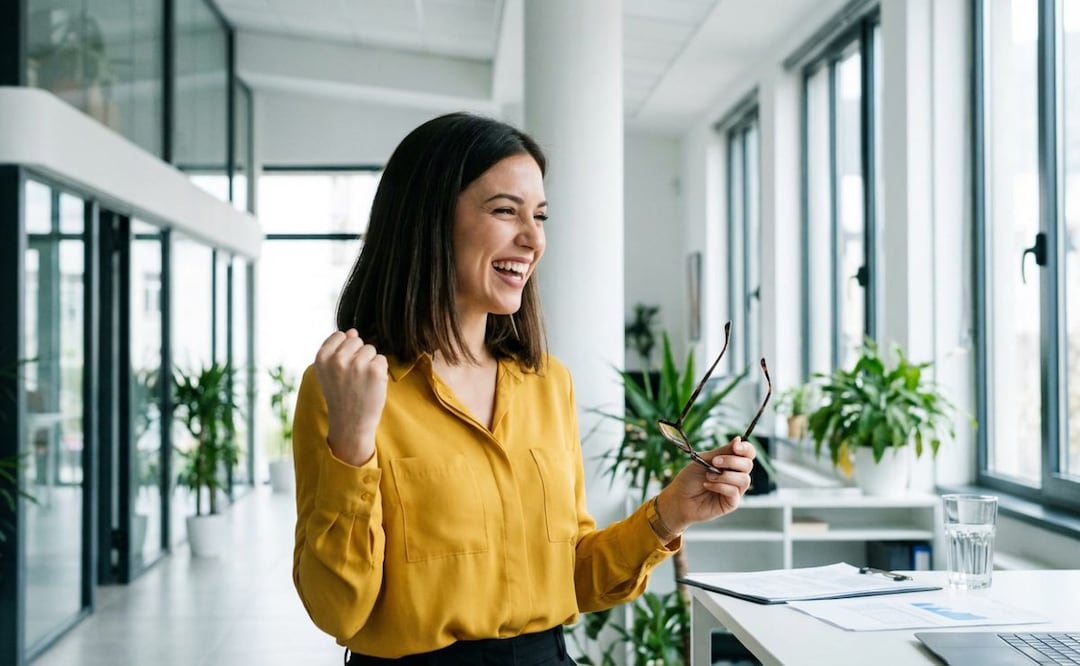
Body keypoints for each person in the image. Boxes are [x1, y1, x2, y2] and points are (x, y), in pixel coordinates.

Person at [291, 112, 757, 665]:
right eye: (505, 210)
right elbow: (338, 610)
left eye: (539, 215)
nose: (533, 238)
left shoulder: (546, 383)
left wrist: (670, 513)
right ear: (429, 220)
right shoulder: (346, 389)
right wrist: (352, 443)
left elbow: (576, 579)